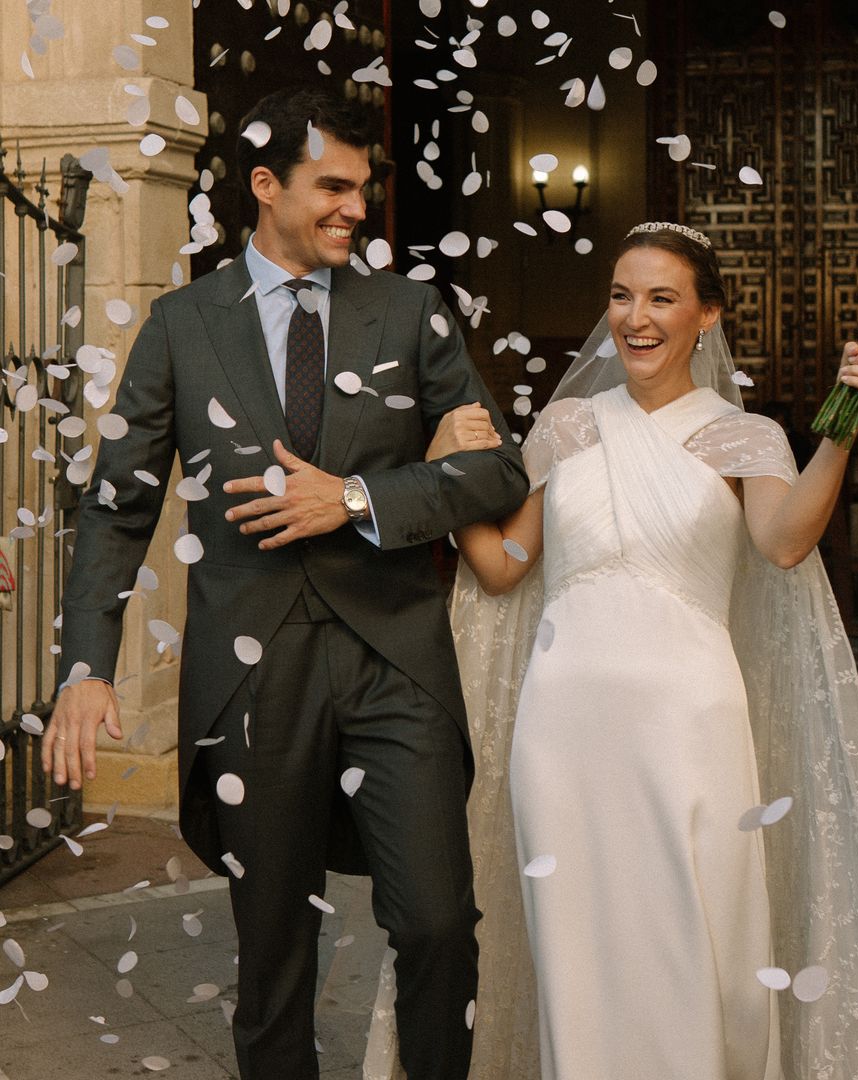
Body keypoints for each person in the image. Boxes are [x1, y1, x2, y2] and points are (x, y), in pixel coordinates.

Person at [353, 222, 858, 1079]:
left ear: (707, 315)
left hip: (690, 723)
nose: (636, 317)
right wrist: (445, 475)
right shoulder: (565, 425)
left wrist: (843, 431)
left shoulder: (746, 437)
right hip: (563, 730)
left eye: (662, 298)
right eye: (622, 296)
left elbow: (782, 542)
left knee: (694, 938)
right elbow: (504, 566)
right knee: (576, 944)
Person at [42, 86, 528, 1080]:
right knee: (273, 958)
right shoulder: (182, 324)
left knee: (439, 923)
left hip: (397, 662)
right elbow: (119, 505)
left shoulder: (411, 312)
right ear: (266, 186)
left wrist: (354, 497)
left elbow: (499, 471)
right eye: (332, 187)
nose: (356, 207)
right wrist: (87, 663)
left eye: (365, 187)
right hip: (251, 680)